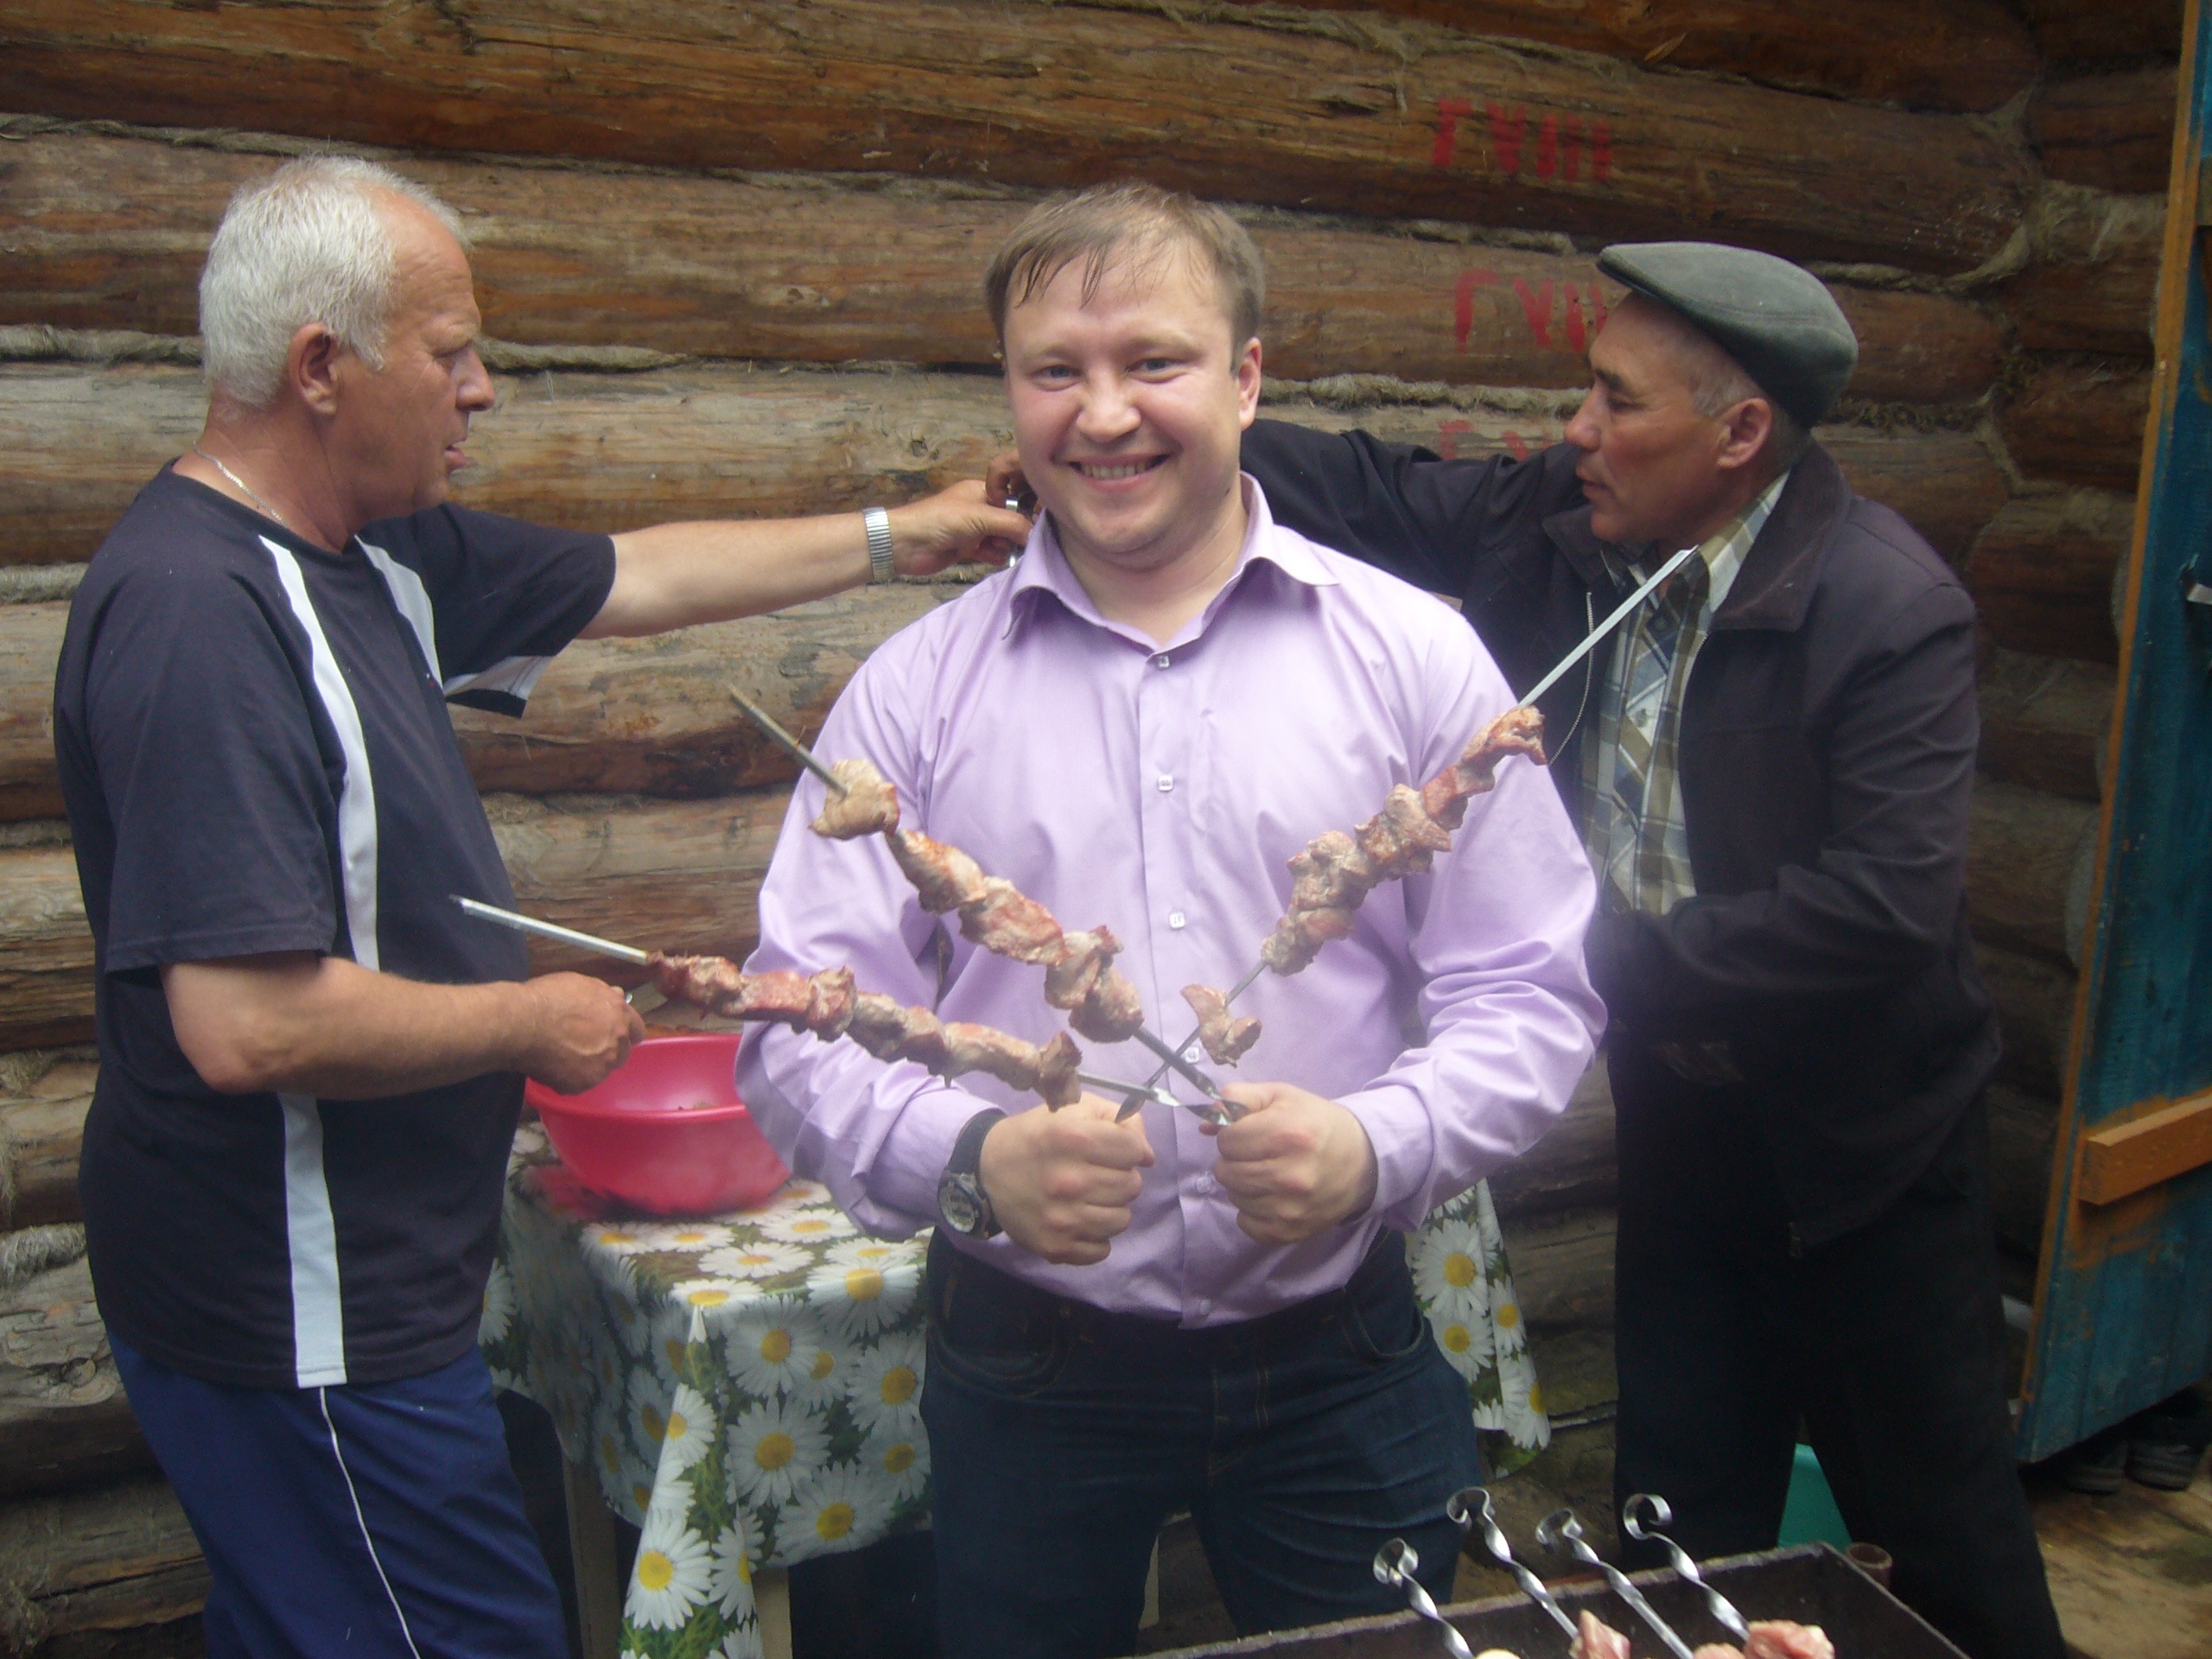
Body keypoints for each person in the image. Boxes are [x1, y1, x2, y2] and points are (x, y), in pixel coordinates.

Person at [51, 156, 1028, 1659]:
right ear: (320, 367)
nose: (482, 390)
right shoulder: (205, 612)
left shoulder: (369, 553)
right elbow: (244, 1024)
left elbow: (634, 577)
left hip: (371, 1287)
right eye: (450, 353)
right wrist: (525, 1022)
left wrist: (907, 533)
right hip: (298, 1307)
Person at [735, 181, 1604, 1659]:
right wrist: (971, 1160)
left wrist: (1379, 1143)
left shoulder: (1415, 657)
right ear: (1009, 390)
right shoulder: (913, 696)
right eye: (1053, 371)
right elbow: (797, 1025)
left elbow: (1530, 985)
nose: (1102, 415)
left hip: (1341, 1351)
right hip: (1026, 1365)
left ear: (1247, 378)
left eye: (1154, 362)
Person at [1239, 243, 2066, 1659]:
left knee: (1945, 1551)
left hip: (1872, 1156)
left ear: (1738, 434)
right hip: (1688, 1126)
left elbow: (1883, 907)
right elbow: (1375, 488)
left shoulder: (1886, 606)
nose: (1577, 431)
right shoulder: (1565, 523)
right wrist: (1173, 422)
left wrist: (1568, 962)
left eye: (1618, 402)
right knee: (1677, 1528)